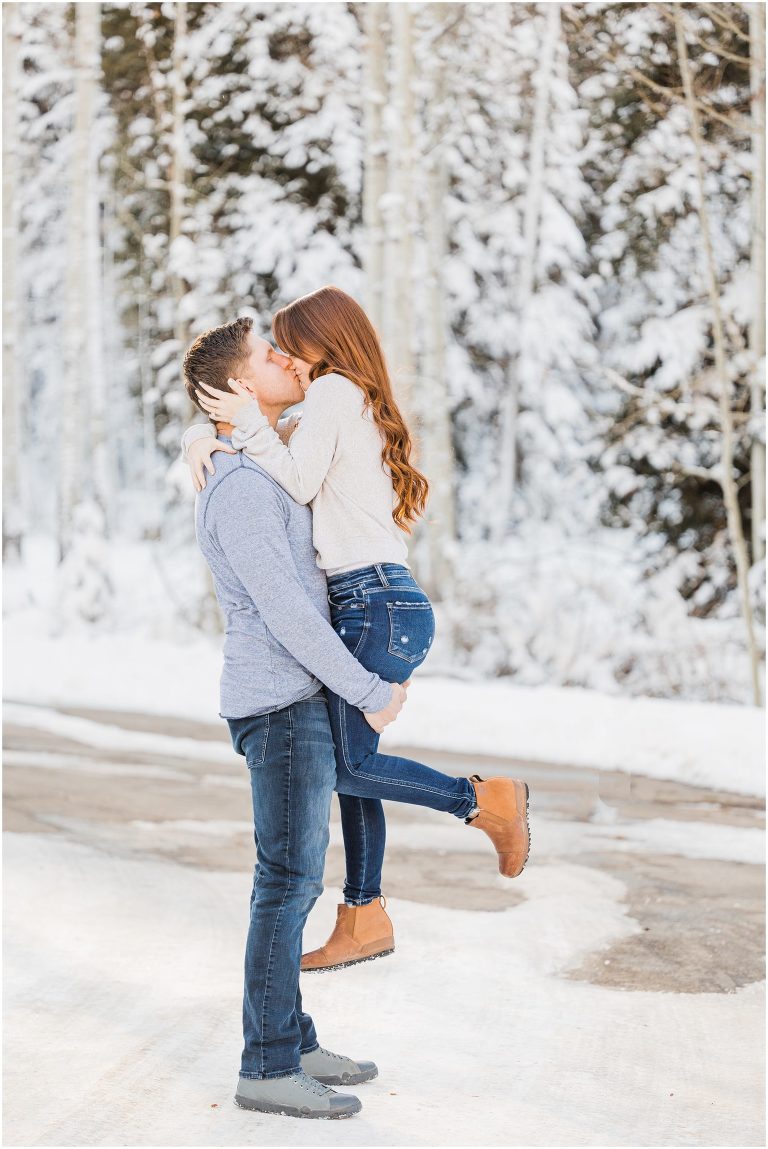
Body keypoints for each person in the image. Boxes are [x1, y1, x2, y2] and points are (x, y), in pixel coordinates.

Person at [183, 287, 531, 981]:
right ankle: (364, 914)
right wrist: (207, 436)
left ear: (324, 344)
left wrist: (244, 421)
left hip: (374, 600)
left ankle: (484, 800)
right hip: (372, 599)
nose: (287, 357)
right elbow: (271, 471)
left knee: (344, 763)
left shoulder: (336, 392)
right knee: (351, 760)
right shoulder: (335, 400)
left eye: (291, 343)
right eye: (273, 348)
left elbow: (298, 482)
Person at [183, 316, 406, 1119]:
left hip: (292, 698)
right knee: (287, 884)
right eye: (270, 356)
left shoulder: (255, 462)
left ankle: (292, 1036)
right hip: (278, 704)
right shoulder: (240, 484)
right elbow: (286, 610)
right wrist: (365, 689)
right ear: (242, 387)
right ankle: (269, 1063)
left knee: (294, 880)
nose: (290, 359)